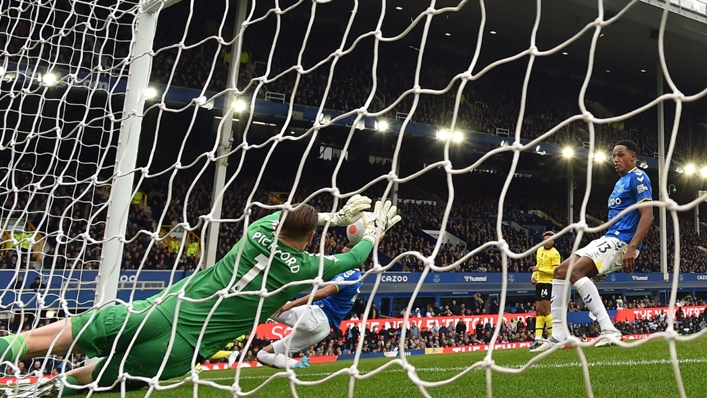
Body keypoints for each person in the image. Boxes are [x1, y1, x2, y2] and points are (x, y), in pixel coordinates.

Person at [0, 196, 400, 396]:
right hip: (180, 352)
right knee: (84, 383)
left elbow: (286, 218)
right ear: (311, 238)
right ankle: (35, 391)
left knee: (34, 342)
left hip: (158, 312)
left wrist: (336, 216)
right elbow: (355, 255)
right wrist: (374, 230)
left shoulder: (257, 231)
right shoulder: (307, 268)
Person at [532, 140, 653, 353]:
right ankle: (559, 335)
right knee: (560, 272)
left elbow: (648, 215)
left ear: (633, 157)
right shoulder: (620, 182)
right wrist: (599, 265)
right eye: (613, 155)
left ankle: (609, 330)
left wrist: (632, 246)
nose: (615, 159)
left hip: (621, 241)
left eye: (621, 154)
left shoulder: (638, 176)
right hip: (609, 238)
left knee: (575, 272)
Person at [247, 243, 363, 370]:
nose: (342, 256)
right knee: (262, 354)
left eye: (346, 254)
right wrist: (326, 251)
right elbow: (327, 269)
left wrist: (292, 304)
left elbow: (325, 292)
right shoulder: (357, 276)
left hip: (317, 316)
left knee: (267, 303)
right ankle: (297, 365)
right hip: (322, 330)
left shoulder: (350, 273)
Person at [528, 231, 561, 350]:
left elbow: (555, 271)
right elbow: (538, 264)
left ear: (553, 241)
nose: (546, 242)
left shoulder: (555, 254)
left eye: (548, 240)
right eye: (544, 240)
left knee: (546, 310)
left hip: (549, 283)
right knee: (538, 311)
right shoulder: (539, 250)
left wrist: (539, 269)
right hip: (540, 282)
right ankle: (538, 338)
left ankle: (553, 338)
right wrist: (534, 275)